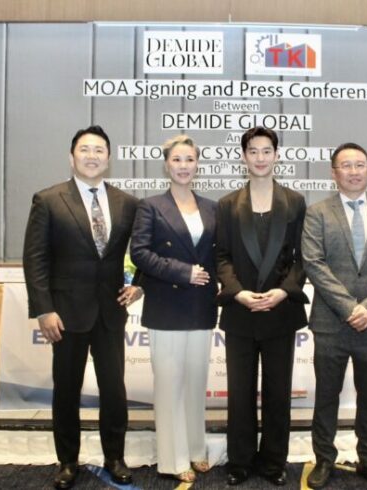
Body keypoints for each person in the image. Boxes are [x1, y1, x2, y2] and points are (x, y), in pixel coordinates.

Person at [23, 125, 143, 489]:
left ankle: (115, 457)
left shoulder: (128, 203)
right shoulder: (48, 200)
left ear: (109, 158)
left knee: (114, 390)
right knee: (66, 389)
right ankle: (67, 461)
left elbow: (142, 251)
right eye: (85, 150)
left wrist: (139, 284)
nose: (92, 156)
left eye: (99, 150)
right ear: (71, 156)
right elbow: (35, 259)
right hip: (65, 313)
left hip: (110, 311)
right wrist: (43, 309)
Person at [301, 143, 367, 489]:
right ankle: (324, 459)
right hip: (331, 322)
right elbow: (313, 263)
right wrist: (349, 307)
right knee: (327, 396)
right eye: (346, 165)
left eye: (360, 164)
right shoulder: (317, 213)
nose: (354, 171)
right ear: (334, 173)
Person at [216, 126, 308, 486]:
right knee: (239, 393)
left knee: (277, 391)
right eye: (253, 151)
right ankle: (239, 461)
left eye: (266, 151)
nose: (260, 157)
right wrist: (237, 292)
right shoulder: (227, 205)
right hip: (240, 311)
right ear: (243, 156)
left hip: (280, 311)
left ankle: (273, 462)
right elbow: (221, 257)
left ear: (276, 155)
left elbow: (303, 258)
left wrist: (284, 292)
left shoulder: (295, 202)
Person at [130, 135, 218, 483]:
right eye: (177, 159)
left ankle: (196, 449)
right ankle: (172, 458)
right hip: (166, 307)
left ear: (198, 164)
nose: (184, 166)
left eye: (190, 159)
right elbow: (140, 253)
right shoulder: (150, 206)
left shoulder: (212, 208)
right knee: (169, 387)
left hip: (201, 306)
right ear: (166, 165)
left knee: (195, 383)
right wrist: (183, 272)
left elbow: (219, 255)